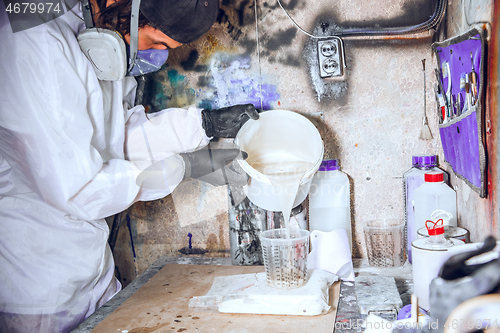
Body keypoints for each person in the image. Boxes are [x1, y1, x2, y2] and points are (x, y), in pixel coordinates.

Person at [0, 0, 258, 331]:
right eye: (159, 44)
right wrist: (185, 166)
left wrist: (203, 125)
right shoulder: (33, 39)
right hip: (40, 287)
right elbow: (81, 189)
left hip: (92, 271)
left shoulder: (99, 30)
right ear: (132, 10)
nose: (157, 57)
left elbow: (117, 135)